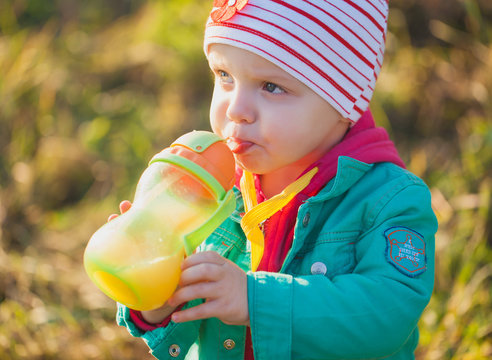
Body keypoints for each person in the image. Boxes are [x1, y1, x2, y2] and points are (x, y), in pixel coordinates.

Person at [112, 1, 437, 359]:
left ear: (345, 104)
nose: (236, 108)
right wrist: (155, 295)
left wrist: (255, 299)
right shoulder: (208, 187)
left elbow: (385, 317)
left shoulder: (388, 201)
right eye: (224, 76)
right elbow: (186, 320)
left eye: (271, 86)